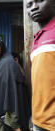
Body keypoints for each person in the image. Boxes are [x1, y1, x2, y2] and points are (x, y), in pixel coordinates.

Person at [26, 0, 55, 130]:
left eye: (40, 1)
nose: (34, 7)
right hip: (40, 120)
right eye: (29, 5)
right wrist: (35, 116)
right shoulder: (37, 38)